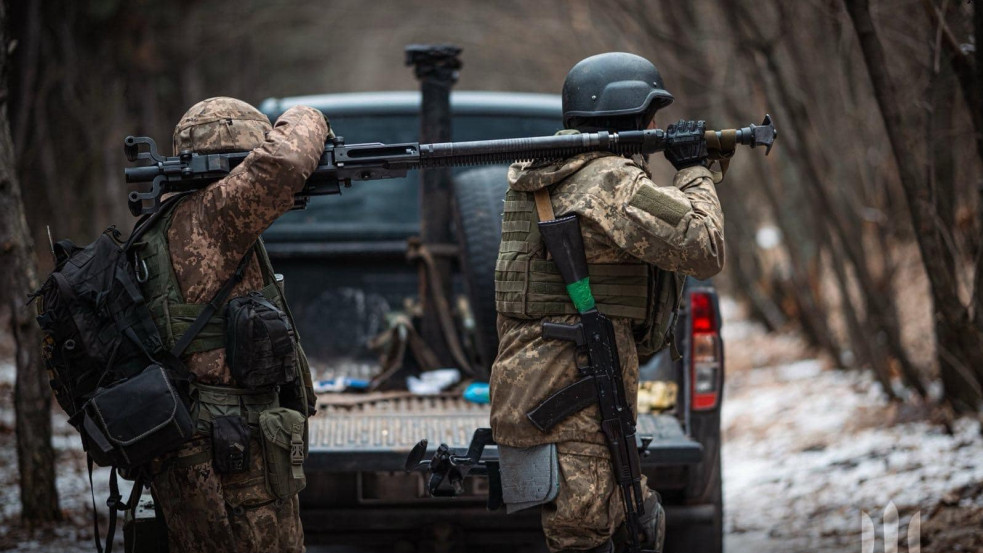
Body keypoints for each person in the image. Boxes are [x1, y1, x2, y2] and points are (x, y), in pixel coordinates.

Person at [489, 53, 725, 553]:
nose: (656, 127)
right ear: (627, 118)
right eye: (649, 118)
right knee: (588, 537)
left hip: (548, 388)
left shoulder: (549, 172)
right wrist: (695, 171)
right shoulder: (606, 181)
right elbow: (704, 244)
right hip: (576, 397)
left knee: (628, 520)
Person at [139, 97, 330, 553]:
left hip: (204, 445)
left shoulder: (171, 218)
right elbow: (284, 162)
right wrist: (309, 114)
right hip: (231, 453)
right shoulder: (213, 216)